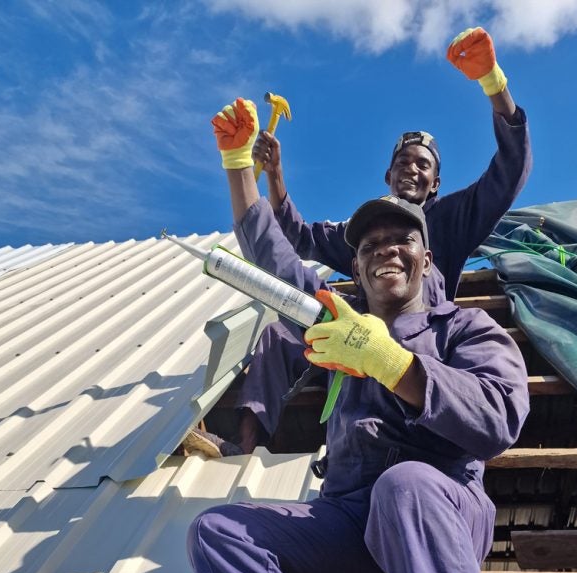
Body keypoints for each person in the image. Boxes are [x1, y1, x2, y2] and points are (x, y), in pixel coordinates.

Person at [187, 94, 534, 573]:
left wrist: (394, 365)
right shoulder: (336, 323)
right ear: (356, 266)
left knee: (405, 486)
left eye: (400, 239)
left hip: (439, 505)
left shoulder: (465, 330)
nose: (385, 250)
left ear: (427, 257)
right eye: (370, 244)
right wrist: (241, 168)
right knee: (220, 532)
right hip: (349, 516)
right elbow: (271, 256)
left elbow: (498, 420)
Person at [184, 26, 531, 458]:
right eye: (403, 162)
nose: (412, 169)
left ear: (436, 185)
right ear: (387, 176)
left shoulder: (451, 220)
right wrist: (270, 176)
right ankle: (246, 443)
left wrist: (494, 84)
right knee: (279, 334)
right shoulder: (361, 231)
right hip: (353, 330)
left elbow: (510, 170)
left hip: (415, 340)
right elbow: (296, 241)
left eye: (423, 165)